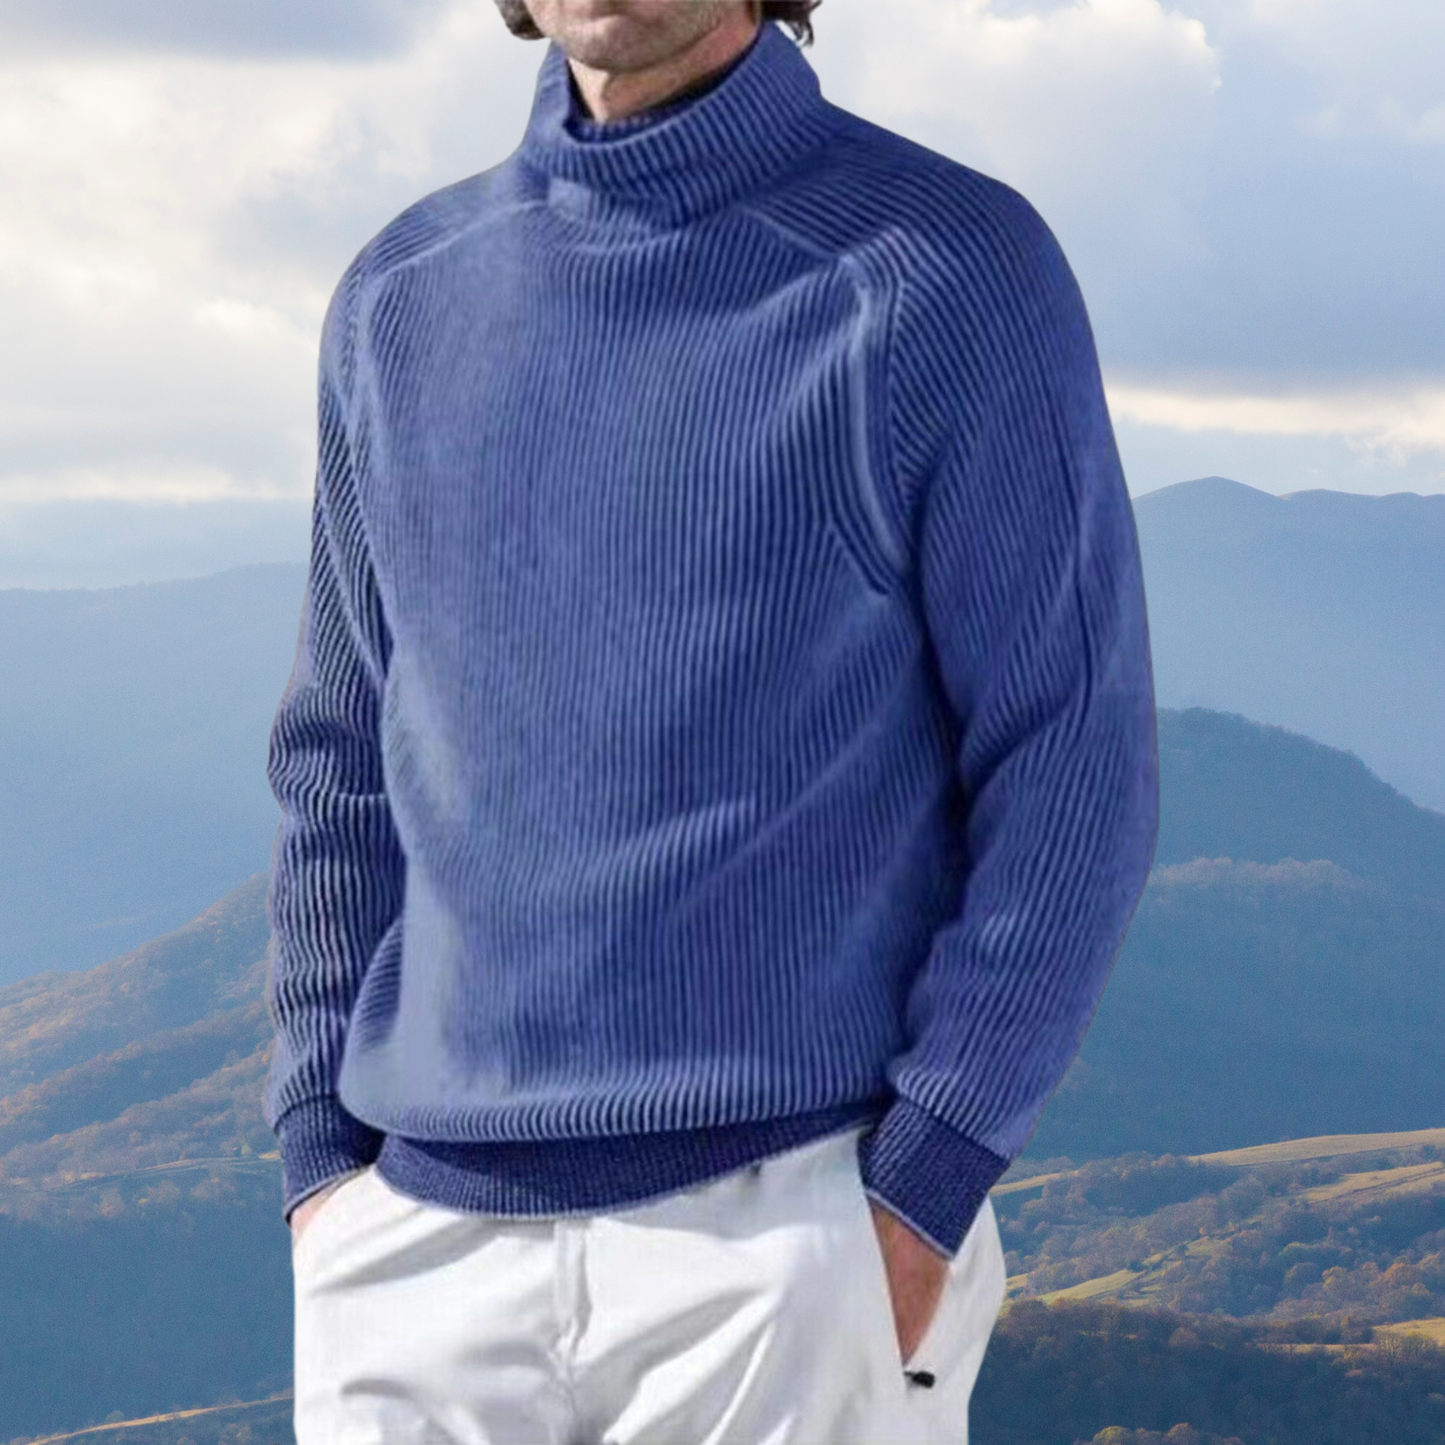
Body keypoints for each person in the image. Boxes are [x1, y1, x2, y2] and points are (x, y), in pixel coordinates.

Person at [262, 1, 1160, 1439]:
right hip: (415, 1254)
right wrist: (321, 1161)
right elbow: (340, 762)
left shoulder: (948, 269)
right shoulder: (398, 297)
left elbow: (1073, 756)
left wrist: (922, 1187)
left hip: (788, 1243)